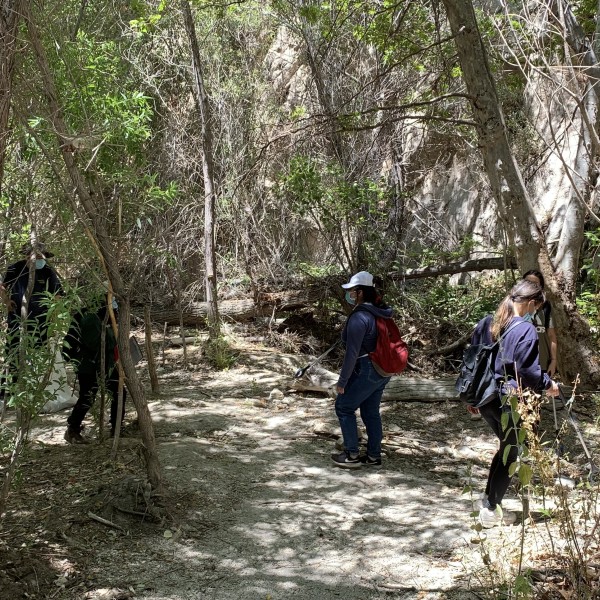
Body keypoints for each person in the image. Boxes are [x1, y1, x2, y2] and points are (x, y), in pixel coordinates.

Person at [467, 279, 560, 528]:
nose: (535, 314)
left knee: (507, 446)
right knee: (513, 452)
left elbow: (473, 361)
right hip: (507, 401)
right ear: (530, 303)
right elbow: (528, 372)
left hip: (485, 397)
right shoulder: (525, 330)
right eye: (536, 309)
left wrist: (474, 397)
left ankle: (488, 500)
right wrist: (548, 384)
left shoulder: (489, 321)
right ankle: (490, 509)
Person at [331, 271, 394, 469]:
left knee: (344, 406)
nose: (348, 294)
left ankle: (351, 455)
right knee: (370, 411)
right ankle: (374, 456)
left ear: (359, 293)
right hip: (382, 370)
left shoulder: (360, 317)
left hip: (367, 368)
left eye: (351, 290)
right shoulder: (379, 313)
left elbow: (352, 354)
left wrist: (342, 382)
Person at [0, 242, 62, 401]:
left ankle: (36, 389)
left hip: (41, 322)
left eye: (42, 257)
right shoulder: (15, 268)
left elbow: (57, 294)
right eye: (37, 257)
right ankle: (10, 390)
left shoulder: (48, 271)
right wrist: (7, 301)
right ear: (28, 256)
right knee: (13, 352)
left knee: (39, 354)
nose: (40, 260)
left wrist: (54, 317)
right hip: (17, 320)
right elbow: (2, 287)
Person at [63, 296, 125, 443]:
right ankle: (73, 429)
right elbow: (97, 342)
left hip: (104, 362)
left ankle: (117, 427)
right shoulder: (90, 317)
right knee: (88, 396)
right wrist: (115, 338)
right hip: (89, 364)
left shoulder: (102, 315)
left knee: (118, 392)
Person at [522, 269, 558, 377]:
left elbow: (551, 336)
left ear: (541, 286)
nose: (531, 286)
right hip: (521, 361)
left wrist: (553, 361)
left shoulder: (545, 306)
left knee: (539, 393)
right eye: (528, 283)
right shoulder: (516, 304)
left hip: (542, 362)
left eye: (535, 284)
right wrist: (530, 313)